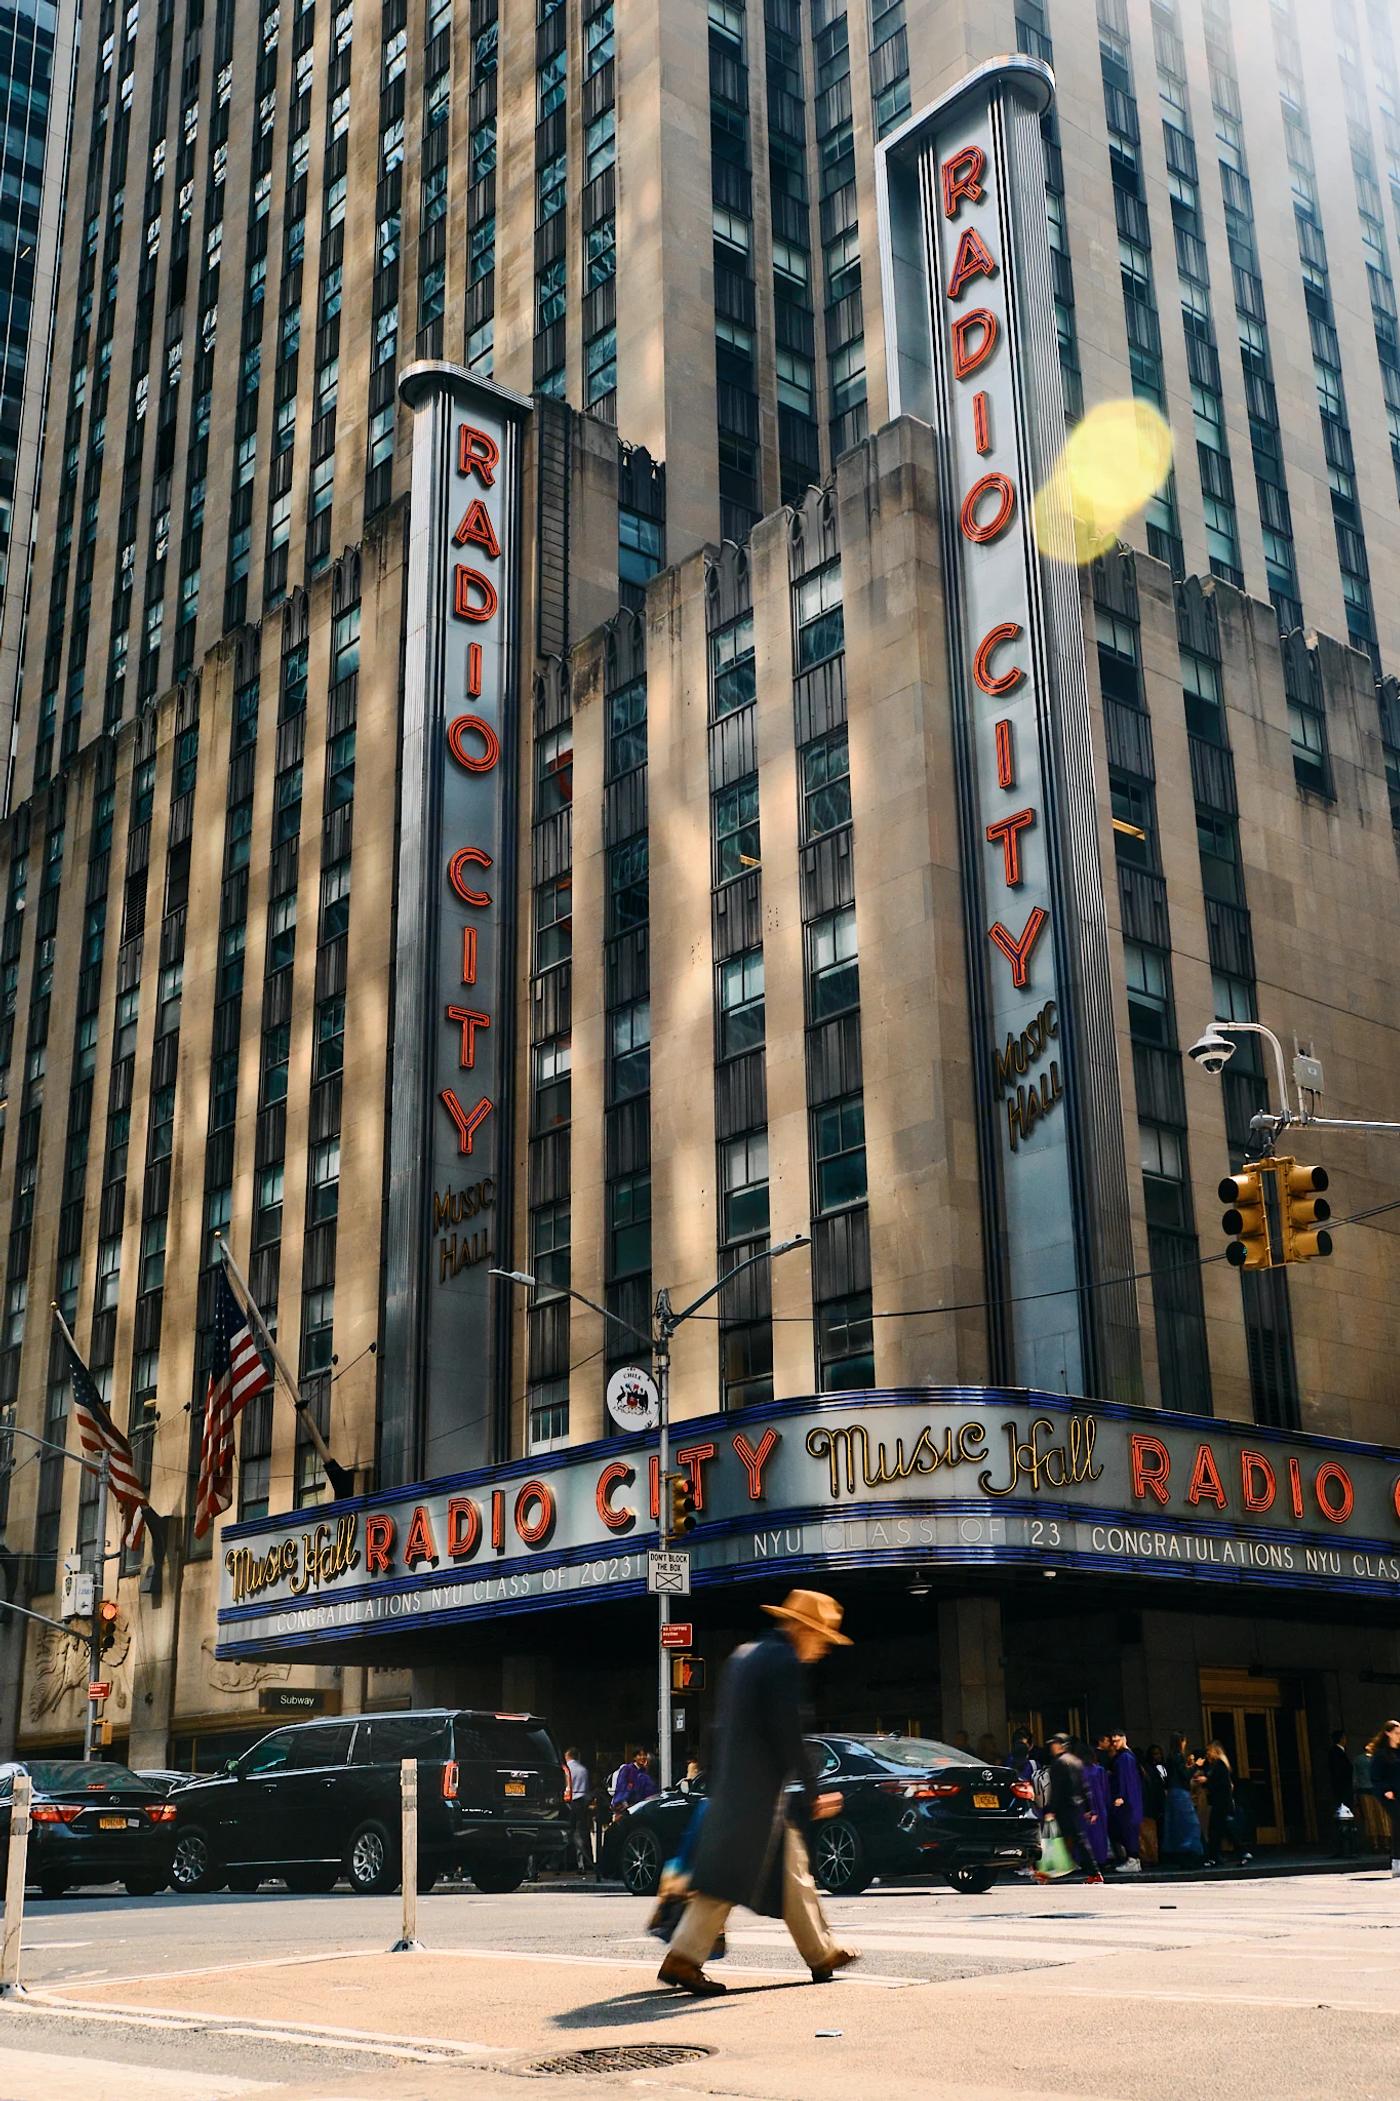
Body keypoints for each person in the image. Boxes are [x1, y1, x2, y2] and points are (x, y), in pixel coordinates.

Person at [658, 1589, 860, 1997]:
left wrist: (714, 1780)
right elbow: (787, 1730)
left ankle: (822, 1952)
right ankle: (683, 1956)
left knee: (792, 1869)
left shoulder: (743, 1655)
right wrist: (813, 1790)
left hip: (738, 1787)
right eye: (821, 1638)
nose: (821, 1649)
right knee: (725, 1880)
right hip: (756, 1793)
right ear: (802, 1629)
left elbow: (717, 1728)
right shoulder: (782, 1661)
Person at [1040, 1731, 1102, 1884]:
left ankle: (1047, 1871)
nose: (1052, 1747)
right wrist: (1089, 1808)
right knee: (1074, 1839)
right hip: (1076, 1806)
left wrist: (1051, 1810)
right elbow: (1085, 1787)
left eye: (1054, 1744)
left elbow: (1057, 1789)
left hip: (1063, 1807)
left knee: (1055, 1839)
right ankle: (1048, 1871)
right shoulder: (1077, 1761)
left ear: (1062, 1746)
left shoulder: (1059, 1763)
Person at [1202, 1741, 1252, 1868]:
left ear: (1215, 1751)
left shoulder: (1219, 1765)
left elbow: (1219, 1784)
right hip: (1223, 1803)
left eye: (1209, 1751)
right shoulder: (1220, 1765)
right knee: (1222, 1830)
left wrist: (1206, 1781)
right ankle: (1238, 1853)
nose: (1207, 1754)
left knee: (1216, 1830)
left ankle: (1219, 1856)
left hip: (1221, 1803)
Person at [1106, 1729, 1144, 1874]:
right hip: (1130, 1800)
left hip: (1126, 1801)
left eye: (1117, 1740)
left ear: (1124, 1739)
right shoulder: (1127, 1757)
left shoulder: (1124, 1758)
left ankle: (1133, 1859)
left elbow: (1125, 1779)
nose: (1115, 1744)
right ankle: (1132, 1859)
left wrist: (1121, 1796)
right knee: (1126, 1829)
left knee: (1127, 1830)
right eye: (1113, 1741)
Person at [1162, 1732, 1202, 1864]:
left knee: (1177, 1825)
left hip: (1173, 1793)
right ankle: (1191, 1855)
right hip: (1181, 1793)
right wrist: (1196, 1765)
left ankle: (1179, 1856)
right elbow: (1185, 1775)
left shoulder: (1170, 1757)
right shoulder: (1178, 1756)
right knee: (1189, 1825)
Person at [1368, 1719, 1400, 1877]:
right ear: (1388, 1733)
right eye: (1396, 1733)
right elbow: (1375, 1776)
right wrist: (1386, 1789)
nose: (1399, 1736)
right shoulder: (1381, 1754)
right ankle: (1397, 1862)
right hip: (1389, 1795)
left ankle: (1397, 1862)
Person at [1076, 1738, 1112, 1873]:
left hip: (1083, 1807)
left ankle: (1084, 1861)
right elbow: (1105, 1790)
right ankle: (1101, 1861)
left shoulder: (1077, 1771)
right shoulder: (1099, 1770)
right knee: (1100, 1835)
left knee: (1085, 1835)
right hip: (1099, 1805)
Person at [1354, 1732, 1391, 1853]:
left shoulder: (1359, 1759)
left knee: (1371, 1817)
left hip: (1365, 1790)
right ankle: (1384, 1842)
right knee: (1382, 1817)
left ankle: (1375, 1843)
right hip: (1376, 1790)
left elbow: (1355, 1778)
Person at [563, 1745, 593, 1874]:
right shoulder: (583, 1769)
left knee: (567, 1831)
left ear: (567, 1755)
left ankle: (566, 1862)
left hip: (569, 1802)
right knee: (581, 1832)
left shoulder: (566, 1769)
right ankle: (584, 1862)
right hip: (581, 1801)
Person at [1327, 1729, 1357, 1859]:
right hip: (1342, 1792)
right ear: (1341, 1739)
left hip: (1343, 1791)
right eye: (1344, 1737)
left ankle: (1347, 1848)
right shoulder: (1336, 1753)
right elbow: (1340, 1773)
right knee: (1343, 1820)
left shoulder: (1339, 1753)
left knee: (1345, 1820)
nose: (1346, 1740)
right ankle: (1344, 1849)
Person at [1139, 1744, 1166, 1868]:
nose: (1158, 1756)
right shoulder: (1149, 1770)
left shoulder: (1161, 1768)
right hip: (1152, 1804)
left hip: (1159, 1803)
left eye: (1159, 1753)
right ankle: (1151, 1856)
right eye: (1155, 1754)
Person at [612, 1747, 658, 1814]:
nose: (642, 1757)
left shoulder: (646, 1772)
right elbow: (621, 1786)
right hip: (627, 1805)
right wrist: (623, 1802)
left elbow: (650, 1789)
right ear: (634, 1758)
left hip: (642, 1806)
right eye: (639, 1755)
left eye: (644, 1755)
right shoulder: (627, 1769)